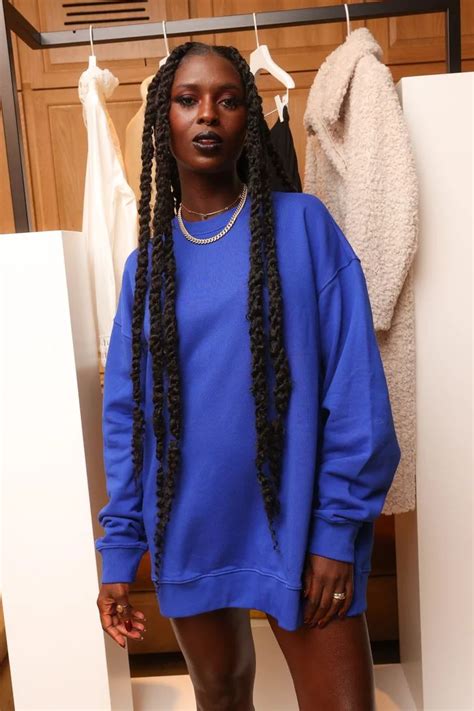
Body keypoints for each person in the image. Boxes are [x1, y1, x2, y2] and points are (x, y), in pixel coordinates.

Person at [96, 41, 401, 710]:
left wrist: (334, 531)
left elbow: (355, 392)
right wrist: (118, 553)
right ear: (163, 119)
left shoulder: (304, 227)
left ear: (247, 121)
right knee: (222, 695)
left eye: (228, 100)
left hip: (299, 526)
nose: (208, 113)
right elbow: (128, 419)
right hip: (188, 524)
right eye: (188, 100)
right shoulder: (146, 269)